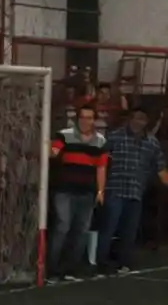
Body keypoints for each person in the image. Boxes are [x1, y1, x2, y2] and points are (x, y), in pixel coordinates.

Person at [96, 107, 168, 275]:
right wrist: (100, 189)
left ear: (147, 122)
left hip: (136, 192)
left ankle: (124, 263)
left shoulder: (152, 142)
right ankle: (102, 263)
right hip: (115, 189)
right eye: (136, 118)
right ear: (130, 118)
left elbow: (161, 170)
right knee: (109, 228)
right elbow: (100, 162)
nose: (139, 122)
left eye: (143, 119)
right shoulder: (115, 137)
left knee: (130, 230)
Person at [48, 104, 107, 282]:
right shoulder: (64, 135)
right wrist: (49, 148)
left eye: (89, 117)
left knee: (81, 230)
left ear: (94, 120)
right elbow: (53, 153)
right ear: (77, 119)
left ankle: (70, 270)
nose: (85, 121)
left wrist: (100, 190)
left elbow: (101, 167)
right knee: (62, 226)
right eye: (82, 117)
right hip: (64, 190)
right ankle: (52, 269)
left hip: (86, 192)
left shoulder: (100, 141)